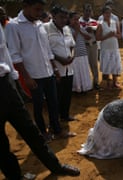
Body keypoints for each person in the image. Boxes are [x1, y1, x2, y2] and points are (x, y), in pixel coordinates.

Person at [0, 18, 80, 180]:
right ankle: (15, 177)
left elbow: (5, 53)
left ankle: (55, 166)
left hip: (6, 83)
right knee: (1, 144)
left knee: (31, 131)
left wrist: (15, 81)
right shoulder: (14, 26)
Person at [5, 0, 76, 141]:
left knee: (54, 103)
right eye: (37, 10)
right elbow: (15, 55)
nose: (40, 13)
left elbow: (47, 49)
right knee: (38, 106)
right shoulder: (14, 26)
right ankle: (43, 133)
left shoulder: (39, 25)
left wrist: (54, 69)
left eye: (41, 10)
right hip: (33, 74)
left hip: (48, 72)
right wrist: (26, 77)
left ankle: (57, 130)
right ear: (26, 6)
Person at [44, 5, 76, 121]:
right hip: (56, 69)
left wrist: (72, 57)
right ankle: (55, 120)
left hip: (69, 68)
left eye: (65, 18)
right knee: (56, 95)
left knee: (67, 94)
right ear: (54, 16)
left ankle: (65, 115)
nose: (64, 20)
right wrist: (60, 60)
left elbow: (72, 45)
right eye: (61, 17)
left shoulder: (67, 29)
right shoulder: (45, 28)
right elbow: (46, 50)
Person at [96, 6, 122, 89]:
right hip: (106, 48)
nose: (108, 14)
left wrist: (115, 35)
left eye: (110, 13)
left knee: (114, 64)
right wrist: (108, 35)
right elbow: (97, 38)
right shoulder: (100, 24)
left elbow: (119, 35)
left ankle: (114, 82)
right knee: (107, 65)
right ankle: (108, 83)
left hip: (114, 47)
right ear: (103, 14)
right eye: (106, 13)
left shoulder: (114, 22)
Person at [69, 11, 93, 93]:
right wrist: (76, 31)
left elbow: (89, 37)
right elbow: (72, 42)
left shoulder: (80, 28)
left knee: (83, 72)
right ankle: (77, 89)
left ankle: (85, 88)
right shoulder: (67, 29)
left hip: (83, 53)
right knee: (77, 73)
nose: (76, 21)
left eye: (78, 19)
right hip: (74, 55)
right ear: (70, 20)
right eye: (75, 19)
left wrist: (80, 30)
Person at [79, 4, 100, 90]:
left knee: (94, 65)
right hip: (84, 46)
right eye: (86, 11)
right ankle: (86, 83)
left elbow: (98, 33)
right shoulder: (79, 22)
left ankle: (96, 82)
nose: (88, 12)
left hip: (94, 45)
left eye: (89, 11)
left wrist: (94, 31)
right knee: (85, 65)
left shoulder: (94, 21)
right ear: (83, 11)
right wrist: (84, 30)